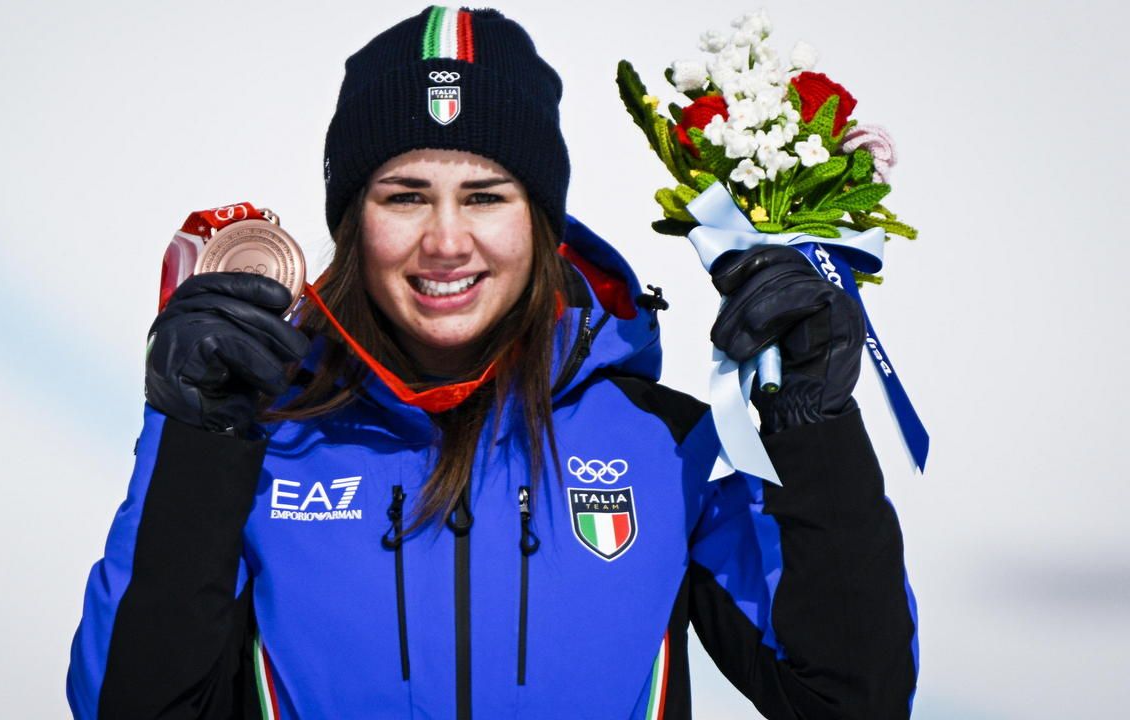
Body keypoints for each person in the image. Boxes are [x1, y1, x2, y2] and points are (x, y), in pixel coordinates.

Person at [66, 6, 917, 719]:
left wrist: (813, 426)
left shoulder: (665, 446)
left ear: (543, 224)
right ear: (352, 223)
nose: (446, 241)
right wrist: (196, 439)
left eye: (485, 197)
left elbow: (854, 698)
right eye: (405, 196)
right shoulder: (267, 437)